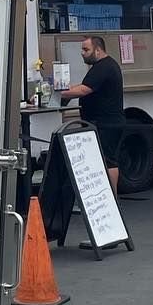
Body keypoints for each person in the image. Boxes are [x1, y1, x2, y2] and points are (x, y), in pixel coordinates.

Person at [57, 34, 126, 193]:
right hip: (101, 122)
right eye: (82, 49)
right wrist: (65, 90)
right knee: (101, 161)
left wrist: (58, 94)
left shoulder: (104, 67)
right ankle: (102, 195)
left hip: (107, 123)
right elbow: (83, 85)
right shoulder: (100, 67)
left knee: (109, 162)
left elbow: (84, 89)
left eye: (86, 49)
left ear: (98, 50)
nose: (82, 52)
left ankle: (112, 197)